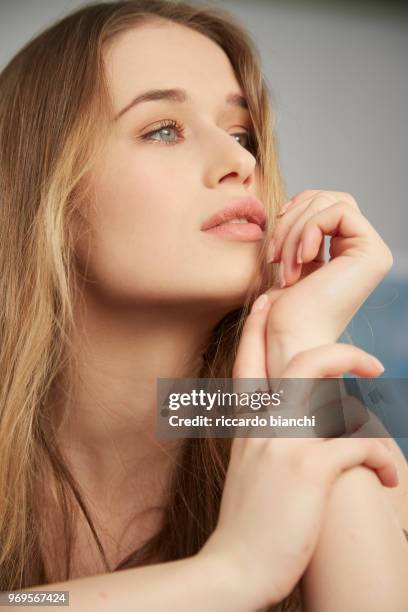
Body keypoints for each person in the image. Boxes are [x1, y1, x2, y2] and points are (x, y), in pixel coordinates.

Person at [0, 1, 407, 610]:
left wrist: (298, 345)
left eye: (242, 134)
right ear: (40, 188)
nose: (241, 163)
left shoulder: (314, 426)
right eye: (163, 129)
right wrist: (231, 572)